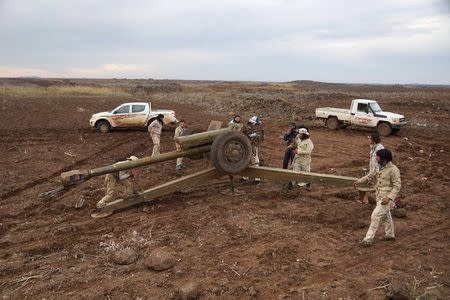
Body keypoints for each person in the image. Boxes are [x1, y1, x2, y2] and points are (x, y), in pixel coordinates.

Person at [354, 149, 401, 247]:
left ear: (384, 159)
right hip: (379, 195)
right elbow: (369, 176)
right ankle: (390, 235)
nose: (376, 158)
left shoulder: (393, 170)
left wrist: (389, 198)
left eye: (377, 156)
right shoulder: (378, 167)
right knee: (385, 216)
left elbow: (397, 186)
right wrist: (359, 181)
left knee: (375, 215)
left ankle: (368, 239)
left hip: (386, 198)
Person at [363, 133, 384, 203]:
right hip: (372, 170)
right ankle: (366, 199)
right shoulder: (373, 147)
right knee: (370, 184)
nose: (368, 139)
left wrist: (379, 171)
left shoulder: (380, 148)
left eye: (370, 138)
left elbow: (382, 161)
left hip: (377, 171)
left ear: (374, 140)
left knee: (376, 186)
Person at [245, 115, 263, 185]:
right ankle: (245, 177)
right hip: (247, 146)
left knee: (255, 162)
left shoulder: (258, 131)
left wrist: (252, 135)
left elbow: (259, 138)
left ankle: (257, 179)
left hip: (253, 146)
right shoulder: (248, 129)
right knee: (246, 161)